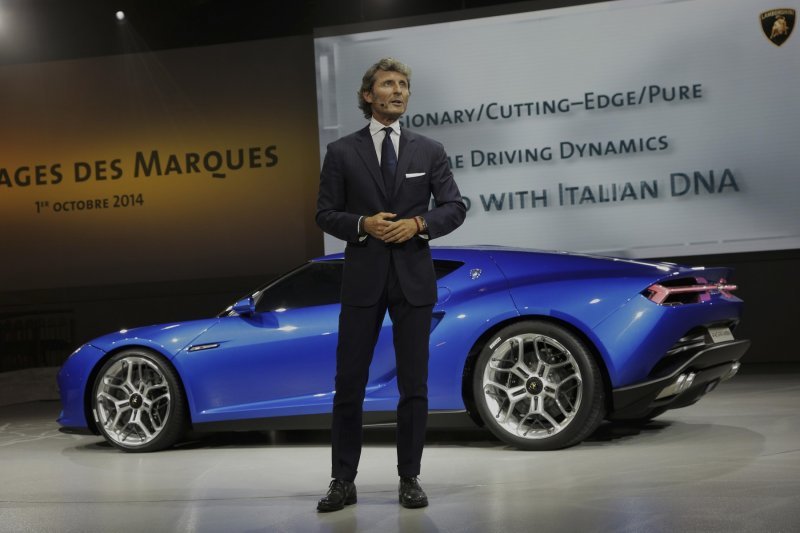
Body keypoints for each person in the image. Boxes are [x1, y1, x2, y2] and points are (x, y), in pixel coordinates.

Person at [315, 57, 466, 511]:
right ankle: (342, 481)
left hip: (413, 281)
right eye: (388, 84)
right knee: (349, 385)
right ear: (368, 95)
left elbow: (454, 207)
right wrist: (363, 224)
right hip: (363, 280)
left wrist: (419, 223)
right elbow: (325, 213)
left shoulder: (429, 150)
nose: (398, 91)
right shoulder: (342, 152)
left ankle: (410, 478)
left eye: (403, 84)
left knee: (413, 386)